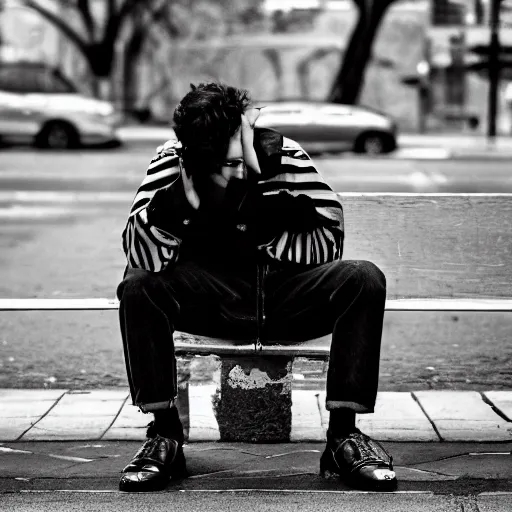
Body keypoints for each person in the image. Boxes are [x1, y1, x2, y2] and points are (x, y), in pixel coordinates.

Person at [116, 82, 396, 493]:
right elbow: (141, 256)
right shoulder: (170, 161)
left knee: (363, 278)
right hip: (213, 299)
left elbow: (330, 242)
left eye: (234, 155)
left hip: (285, 297)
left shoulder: (286, 155)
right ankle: (165, 435)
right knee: (137, 287)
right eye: (220, 165)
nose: (236, 171)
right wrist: (170, 209)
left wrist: (267, 231)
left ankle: (343, 437)